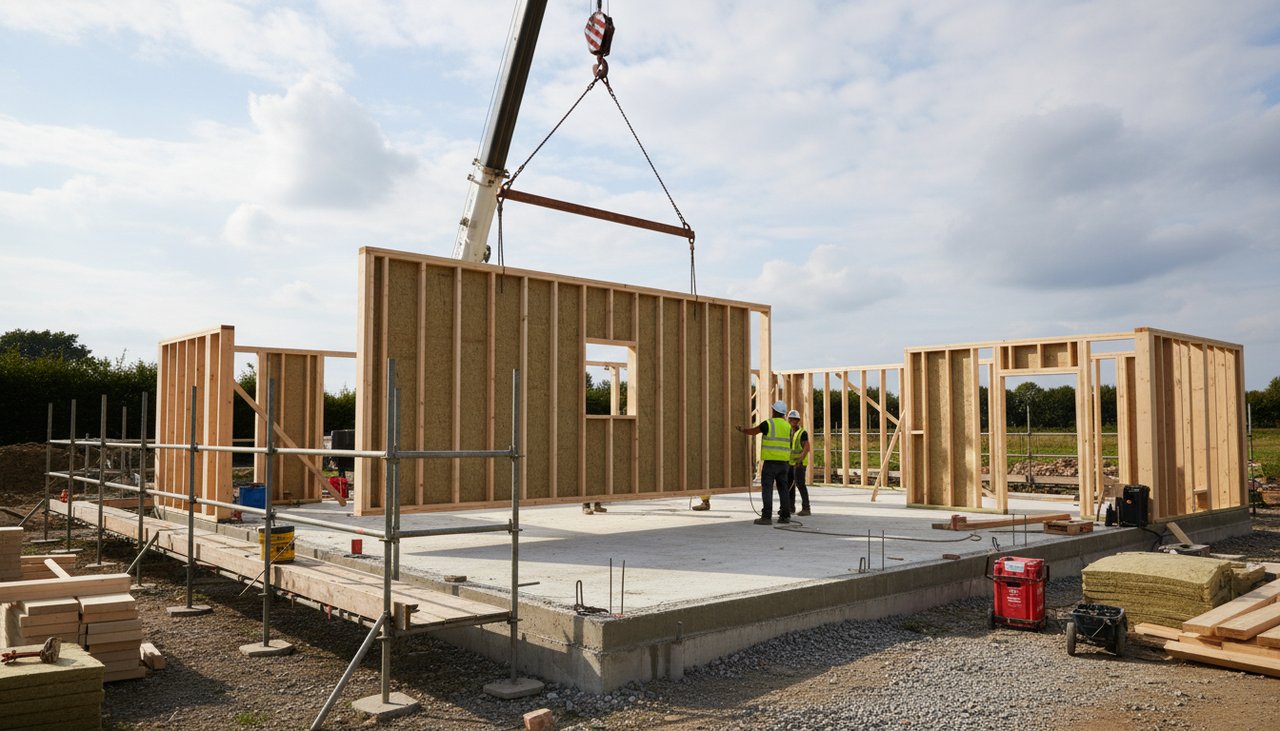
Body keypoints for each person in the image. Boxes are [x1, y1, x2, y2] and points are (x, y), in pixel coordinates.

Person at [736, 399, 792, 525]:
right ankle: (785, 516)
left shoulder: (769, 424)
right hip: (784, 463)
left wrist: (742, 430)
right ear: (783, 413)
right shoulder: (788, 426)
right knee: (783, 489)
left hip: (771, 463)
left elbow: (753, 431)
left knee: (767, 489)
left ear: (774, 411)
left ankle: (766, 517)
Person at [787, 409, 812, 517]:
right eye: (792, 419)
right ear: (788, 420)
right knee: (790, 485)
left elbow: (807, 448)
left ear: (798, 421)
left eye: (795, 419)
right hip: (790, 463)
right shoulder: (787, 432)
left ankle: (806, 508)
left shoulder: (802, 433)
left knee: (800, 484)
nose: (793, 421)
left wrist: (800, 460)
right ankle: (790, 507)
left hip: (799, 464)